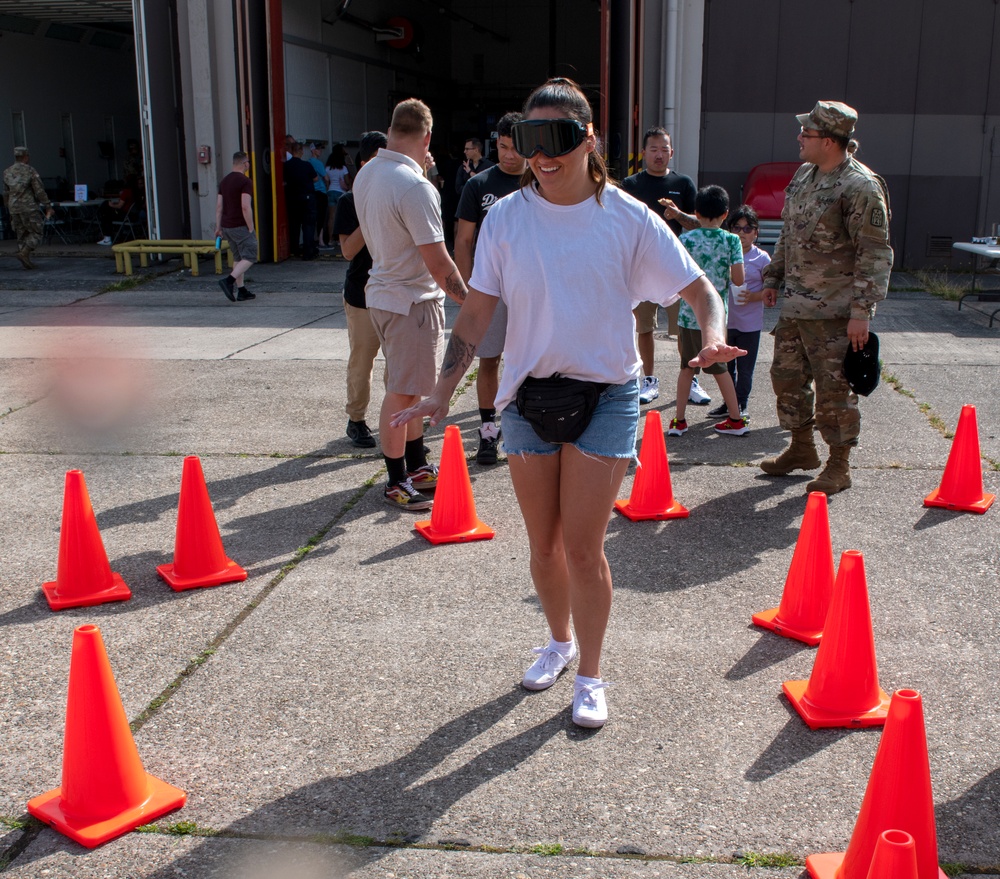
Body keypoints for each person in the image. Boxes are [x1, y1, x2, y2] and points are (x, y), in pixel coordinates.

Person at [391, 78, 742, 728]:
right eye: (529, 140)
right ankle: (557, 641)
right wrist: (443, 390)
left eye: (555, 140)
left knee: (584, 548)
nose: (541, 156)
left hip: (606, 396)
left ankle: (591, 673)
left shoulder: (628, 218)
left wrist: (714, 338)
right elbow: (474, 315)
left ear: (588, 140)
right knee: (544, 546)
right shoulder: (506, 218)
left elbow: (701, 293)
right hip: (526, 398)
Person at [759, 101, 892, 495]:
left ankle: (839, 465)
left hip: (836, 313)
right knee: (786, 380)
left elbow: (875, 251)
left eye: (808, 133)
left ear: (831, 142)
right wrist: (774, 275)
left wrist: (862, 312)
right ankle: (801, 449)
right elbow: (789, 231)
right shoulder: (804, 175)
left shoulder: (860, 187)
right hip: (797, 306)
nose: (799, 138)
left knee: (834, 392)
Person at [353, 98, 469, 510]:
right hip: (411, 301)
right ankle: (396, 479)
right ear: (428, 138)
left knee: (410, 388)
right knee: (403, 393)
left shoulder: (369, 173)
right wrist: (470, 304)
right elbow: (438, 261)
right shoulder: (414, 186)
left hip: (384, 294)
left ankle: (416, 465)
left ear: (391, 131)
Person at [454, 111, 525, 465]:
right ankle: (487, 430)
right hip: (491, 289)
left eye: (515, 148)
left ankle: (529, 427)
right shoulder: (478, 185)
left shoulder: (542, 182)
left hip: (531, 288)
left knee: (533, 358)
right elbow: (463, 241)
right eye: (502, 147)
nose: (509, 155)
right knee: (489, 359)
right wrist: (468, 293)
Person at [620, 127, 709, 407]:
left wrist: (678, 215)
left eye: (664, 149)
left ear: (672, 152)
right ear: (643, 152)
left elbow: (702, 224)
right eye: (653, 149)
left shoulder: (683, 183)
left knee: (683, 327)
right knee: (643, 327)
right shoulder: (631, 184)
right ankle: (649, 379)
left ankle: (690, 377)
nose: (659, 154)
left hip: (675, 268)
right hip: (640, 267)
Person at [669, 185, 747, 438]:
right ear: (726, 214)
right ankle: (736, 419)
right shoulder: (732, 240)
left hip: (689, 315)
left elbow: (676, 277)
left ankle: (679, 421)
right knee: (720, 368)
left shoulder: (685, 239)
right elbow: (738, 279)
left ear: (696, 212)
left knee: (686, 368)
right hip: (716, 318)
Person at [331, 131, 387, 448]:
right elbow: (348, 251)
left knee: (400, 366)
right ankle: (356, 420)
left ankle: (402, 424)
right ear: (364, 165)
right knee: (362, 363)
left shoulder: (400, 195)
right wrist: (371, 213)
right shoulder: (349, 202)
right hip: (361, 296)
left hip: (395, 296)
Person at [707, 205, 771, 419]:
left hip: (750, 324)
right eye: (737, 228)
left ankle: (741, 404)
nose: (742, 233)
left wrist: (754, 296)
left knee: (745, 369)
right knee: (725, 367)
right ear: (730, 230)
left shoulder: (762, 258)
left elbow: (772, 290)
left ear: (756, 232)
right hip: (726, 321)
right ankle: (728, 403)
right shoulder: (723, 254)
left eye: (748, 229)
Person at [215, 151, 257, 302]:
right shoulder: (245, 181)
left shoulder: (224, 181)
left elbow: (219, 207)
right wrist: (250, 227)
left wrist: (218, 227)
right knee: (251, 255)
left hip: (226, 226)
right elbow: (245, 206)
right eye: (249, 163)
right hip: (240, 225)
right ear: (245, 163)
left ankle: (241, 290)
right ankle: (228, 281)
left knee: (238, 257)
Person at [2, 147, 54, 270]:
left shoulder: (7, 171)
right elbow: (39, 190)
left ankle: (25, 259)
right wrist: (48, 206)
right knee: (37, 231)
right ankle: (24, 253)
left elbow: (5, 192)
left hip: (14, 208)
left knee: (21, 234)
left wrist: (8, 207)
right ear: (26, 156)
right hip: (28, 207)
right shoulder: (30, 170)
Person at [284, 142, 318, 260]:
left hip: (293, 199)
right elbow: (315, 178)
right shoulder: (306, 165)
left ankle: (294, 250)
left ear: (292, 151)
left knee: (294, 226)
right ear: (301, 151)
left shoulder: (286, 166)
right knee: (308, 226)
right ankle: (308, 253)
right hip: (307, 198)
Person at [324, 144, 353, 248]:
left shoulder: (328, 168)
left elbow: (326, 181)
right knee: (342, 218)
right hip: (341, 193)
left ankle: (331, 239)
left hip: (331, 192)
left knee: (331, 217)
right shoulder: (343, 168)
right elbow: (347, 181)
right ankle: (341, 241)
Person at [96, 176, 138, 246]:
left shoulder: (126, 192)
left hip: (125, 215)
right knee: (106, 212)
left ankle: (107, 237)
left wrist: (111, 205)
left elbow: (119, 206)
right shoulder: (136, 192)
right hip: (133, 215)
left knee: (106, 213)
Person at [306, 144, 329, 249]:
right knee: (322, 217)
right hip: (321, 192)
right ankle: (321, 241)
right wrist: (327, 188)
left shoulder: (308, 162)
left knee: (313, 218)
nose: (320, 151)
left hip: (312, 192)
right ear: (313, 150)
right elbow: (326, 177)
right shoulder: (318, 163)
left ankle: (314, 239)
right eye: (318, 149)